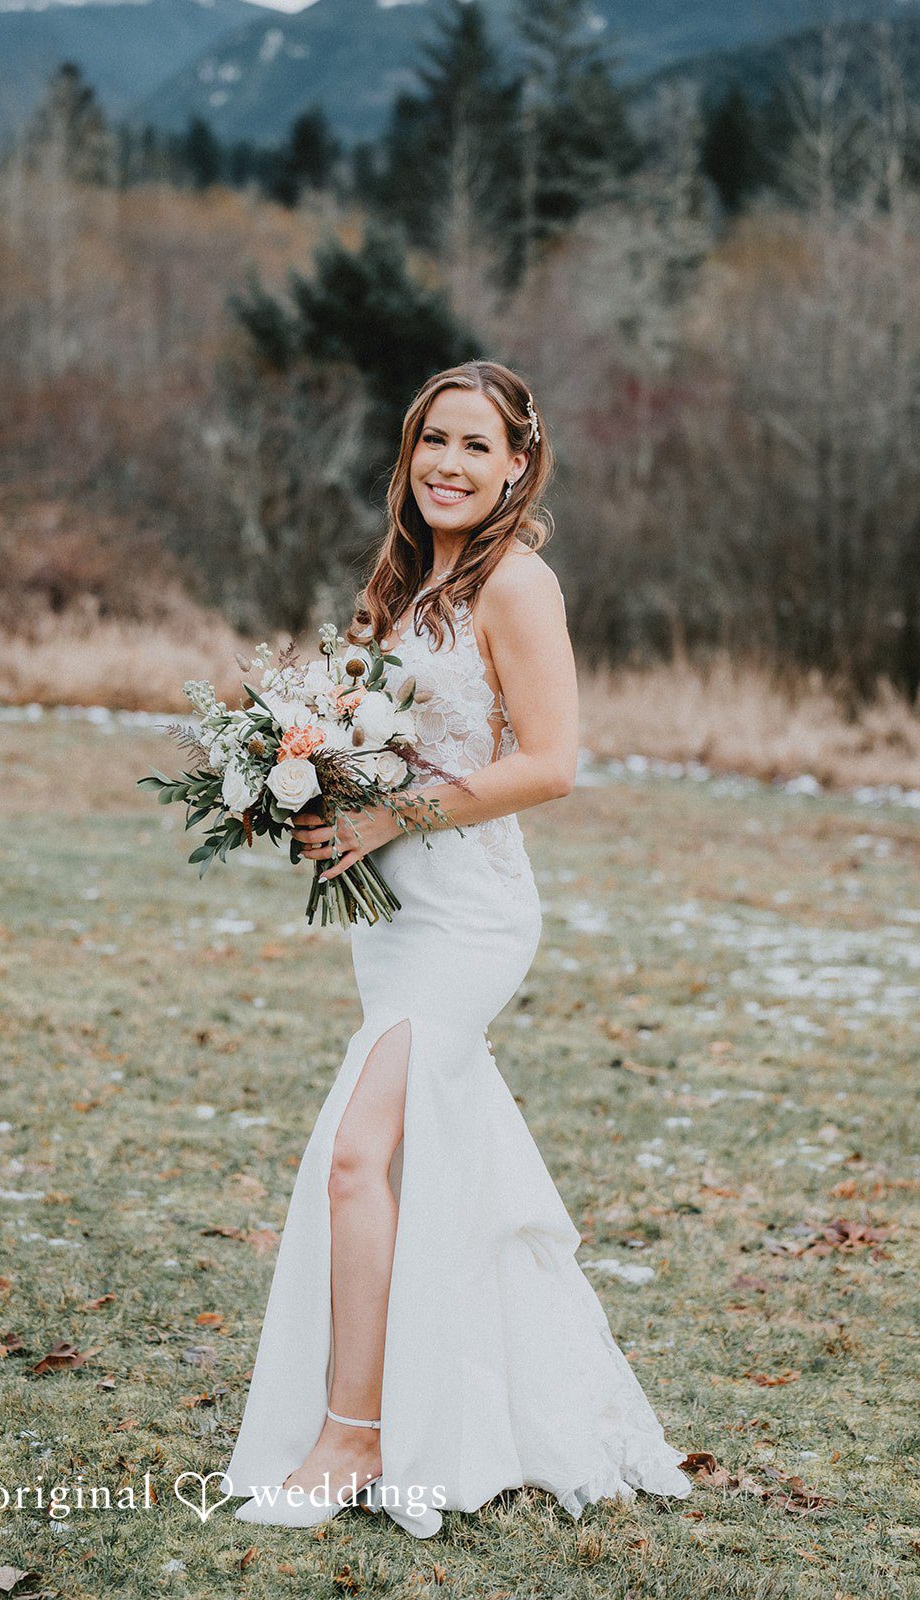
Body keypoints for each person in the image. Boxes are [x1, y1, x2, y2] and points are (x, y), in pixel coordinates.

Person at [220, 359, 692, 1537]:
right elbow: (378, 744)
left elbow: (551, 763)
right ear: (409, 449)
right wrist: (304, 792)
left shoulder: (519, 586)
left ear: (519, 464)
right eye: (436, 439)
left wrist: (393, 814)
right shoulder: (405, 581)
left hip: (471, 916)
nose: (450, 464)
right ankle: (491, 1404)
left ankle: (353, 1437)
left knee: (353, 1156)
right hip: (392, 912)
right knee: (432, 1165)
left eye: (478, 446)